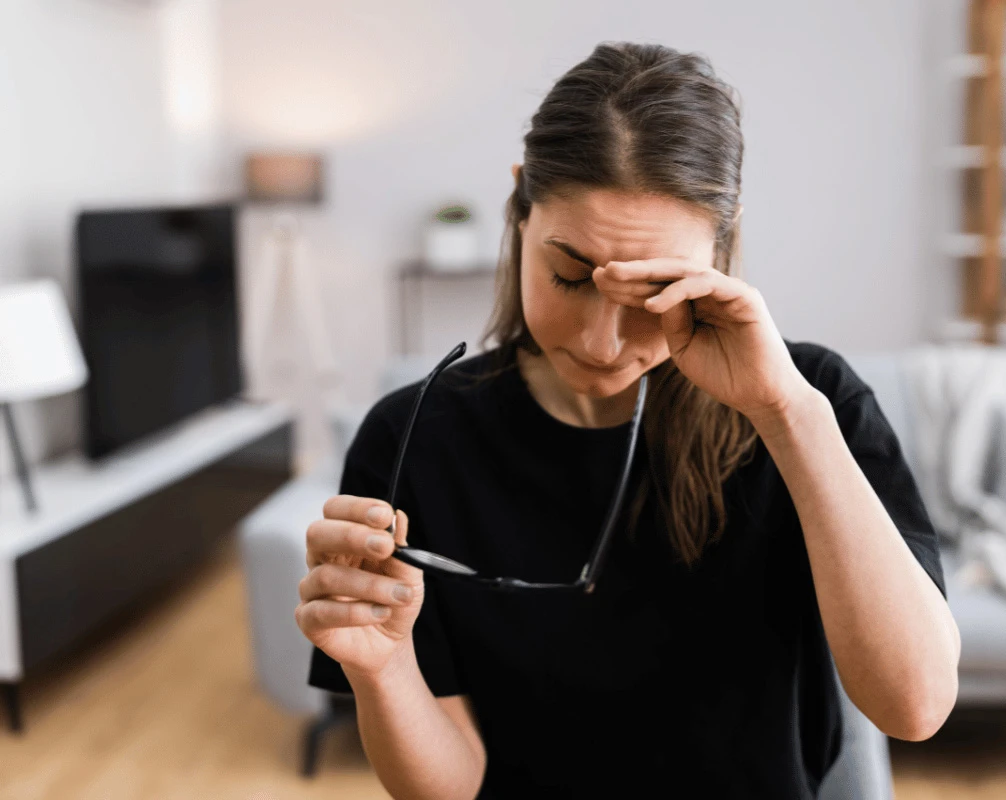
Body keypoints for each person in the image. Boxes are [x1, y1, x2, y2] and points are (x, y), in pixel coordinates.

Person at [296, 41, 958, 800]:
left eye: (653, 293)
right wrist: (383, 668)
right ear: (520, 207)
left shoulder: (814, 402)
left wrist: (786, 415)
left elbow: (915, 705)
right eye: (569, 276)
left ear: (723, 242)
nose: (600, 342)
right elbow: (450, 786)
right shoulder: (414, 437)